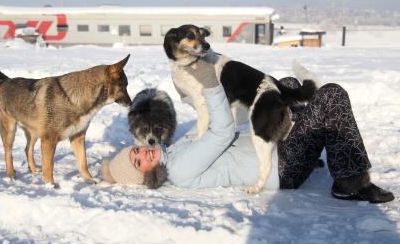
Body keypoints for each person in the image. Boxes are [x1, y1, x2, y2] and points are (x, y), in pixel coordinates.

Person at [101, 59, 394, 203]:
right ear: (145, 175)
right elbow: (222, 132)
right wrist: (211, 83)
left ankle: (315, 147)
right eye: (139, 162)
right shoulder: (178, 167)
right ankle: (349, 183)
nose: (143, 153)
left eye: (135, 151)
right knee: (331, 96)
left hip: (276, 150)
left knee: (288, 86)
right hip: (283, 167)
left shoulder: (173, 152)